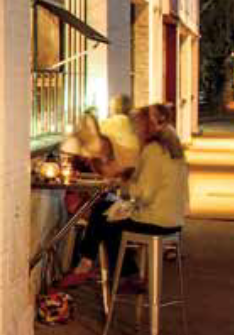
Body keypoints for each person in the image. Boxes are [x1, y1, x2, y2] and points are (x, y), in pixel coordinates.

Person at [61, 105, 189, 290]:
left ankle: (87, 264)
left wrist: (123, 182)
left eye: (137, 126)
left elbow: (142, 194)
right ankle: (124, 273)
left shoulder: (153, 150)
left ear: (146, 127)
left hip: (155, 218)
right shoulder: (172, 147)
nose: (134, 131)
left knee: (103, 212)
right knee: (107, 213)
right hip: (174, 218)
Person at [99, 94, 142, 176]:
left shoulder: (105, 124)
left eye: (110, 107)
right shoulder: (138, 125)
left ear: (114, 108)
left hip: (112, 171)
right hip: (135, 171)